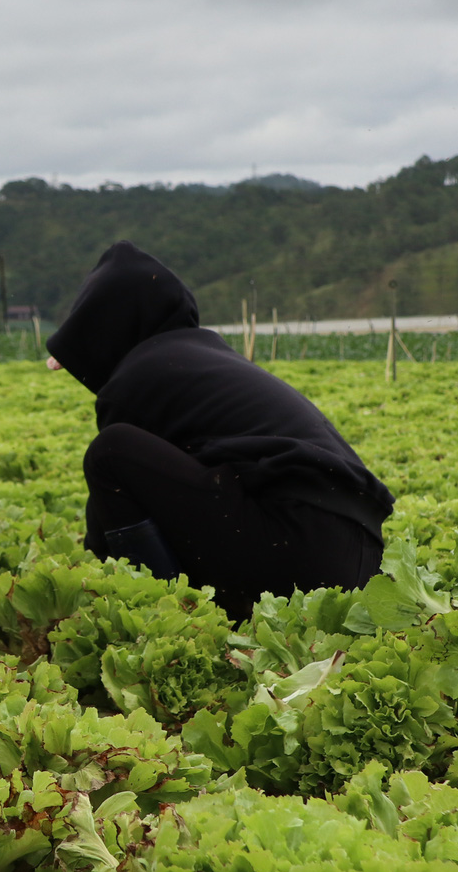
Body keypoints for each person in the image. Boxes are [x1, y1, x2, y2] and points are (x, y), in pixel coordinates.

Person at [44, 241, 393, 619]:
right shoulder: (200, 357)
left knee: (109, 452)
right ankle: (227, 605)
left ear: (108, 329)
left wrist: (90, 577)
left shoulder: (140, 374)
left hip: (300, 548)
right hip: (358, 557)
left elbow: (109, 509)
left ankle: (170, 616)